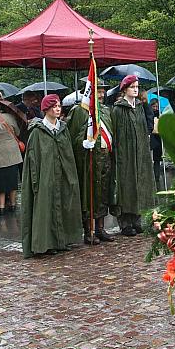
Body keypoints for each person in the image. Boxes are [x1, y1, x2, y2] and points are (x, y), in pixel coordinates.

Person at [21, 94, 81, 257]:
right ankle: (46, 244)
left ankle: (62, 241)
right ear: (46, 109)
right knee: (45, 209)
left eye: (59, 106)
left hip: (62, 175)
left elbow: (68, 153)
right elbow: (33, 158)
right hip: (44, 177)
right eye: (54, 106)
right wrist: (36, 180)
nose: (58, 109)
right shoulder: (37, 132)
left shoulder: (63, 129)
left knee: (62, 205)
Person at [67, 82, 116, 245]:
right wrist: (84, 143)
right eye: (98, 92)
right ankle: (89, 230)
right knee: (89, 194)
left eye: (103, 92)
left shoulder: (107, 111)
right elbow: (73, 136)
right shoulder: (80, 111)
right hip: (88, 159)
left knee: (102, 192)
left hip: (105, 157)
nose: (101, 95)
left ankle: (101, 228)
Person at [110, 75, 156, 236]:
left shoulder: (139, 107)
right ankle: (125, 223)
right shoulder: (118, 109)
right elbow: (115, 133)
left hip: (140, 152)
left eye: (137, 87)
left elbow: (144, 129)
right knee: (126, 186)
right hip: (125, 153)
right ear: (124, 89)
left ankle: (137, 219)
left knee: (140, 184)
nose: (136, 89)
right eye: (132, 87)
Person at [149, 98, 164, 187]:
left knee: (157, 159)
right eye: (154, 106)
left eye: (157, 106)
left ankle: (156, 176)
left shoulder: (160, 114)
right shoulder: (148, 114)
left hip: (158, 137)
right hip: (151, 137)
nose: (155, 108)